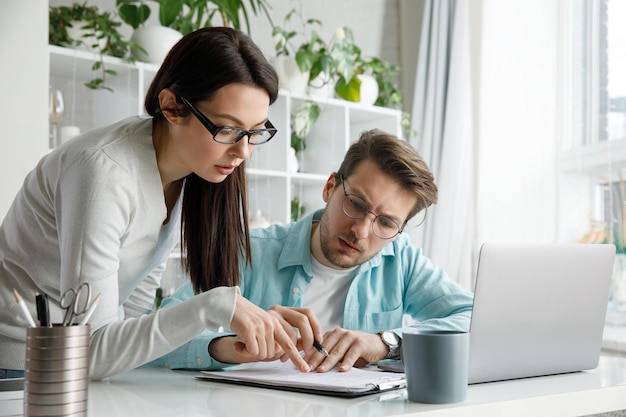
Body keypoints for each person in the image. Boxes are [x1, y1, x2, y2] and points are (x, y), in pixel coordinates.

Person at [0, 27, 312, 380]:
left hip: (71, 371)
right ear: (171, 106)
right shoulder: (104, 173)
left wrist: (225, 343)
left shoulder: (190, 172)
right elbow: (89, 350)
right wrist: (214, 307)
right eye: (227, 129)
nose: (242, 151)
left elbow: (129, 319)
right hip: (19, 366)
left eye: (256, 131)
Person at [150, 129, 474, 373]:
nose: (361, 231)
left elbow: (473, 319)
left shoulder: (402, 259)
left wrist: (386, 342)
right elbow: (154, 338)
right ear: (330, 187)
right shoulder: (249, 252)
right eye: (355, 204)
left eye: (386, 223)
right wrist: (227, 348)